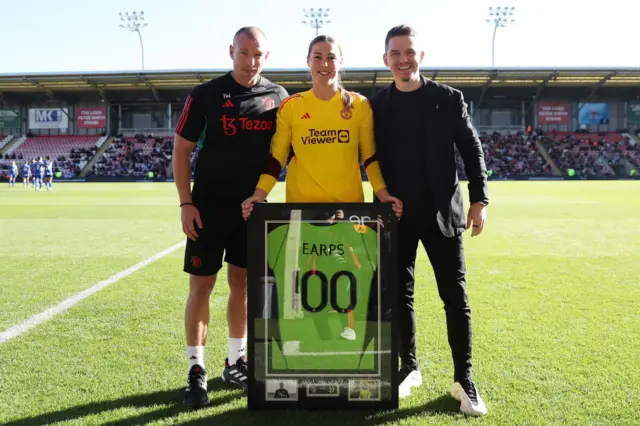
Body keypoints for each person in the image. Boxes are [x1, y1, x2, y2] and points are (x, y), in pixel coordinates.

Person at [241, 35, 402, 344]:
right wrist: (258, 196)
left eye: (331, 57)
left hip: (348, 211)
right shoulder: (291, 106)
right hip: (303, 211)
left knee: (347, 275)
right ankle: (313, 334)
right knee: (309, 278)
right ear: (308, 62)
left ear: (340, 63)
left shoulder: (359, 105)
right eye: (318, 57)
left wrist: (383, 196)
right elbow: (277, 158)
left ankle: (347, 328)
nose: (324, 64)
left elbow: (369, 157)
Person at [369, 25, 489, 416]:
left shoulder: (447, 98)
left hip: (443, 214)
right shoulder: (377, 105)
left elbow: (471, 148)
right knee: (398, 295)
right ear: (385, 59)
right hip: (395, 216)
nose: (403, 59)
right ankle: (409, 368)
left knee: (455, 298)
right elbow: (367, 156)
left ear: (422, 55)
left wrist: (479, 200)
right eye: (396, 53)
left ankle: (463, 379)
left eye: (410, 52)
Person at [173, 26, 288, 409]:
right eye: (244, 53)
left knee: (243, 284)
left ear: (266, 57)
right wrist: (186, 203)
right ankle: (195, 369)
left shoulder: (278, 97)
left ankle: (236, 360)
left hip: (251, 210)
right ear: (231, 52)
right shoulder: (205, 94)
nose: (250, 61)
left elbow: (283, 153)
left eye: (258, 54)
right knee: (201, 287)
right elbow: (182, 148)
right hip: (207, 209)